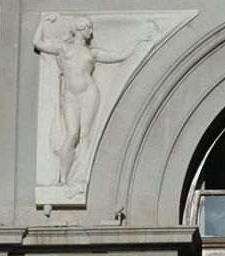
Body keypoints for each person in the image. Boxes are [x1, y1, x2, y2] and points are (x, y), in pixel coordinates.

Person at [33, 14, 151, 185]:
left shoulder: (92, 53)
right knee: (72, 134)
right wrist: (43, 23)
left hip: (89, 93)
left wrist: (140, 40)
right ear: (79, 28)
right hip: (70, 95)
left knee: (85, 135)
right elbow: (37, 43)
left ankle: (82, 177)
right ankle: (63, 179)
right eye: (88, 27)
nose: (91, 31)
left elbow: (121, 55)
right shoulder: (63, 49)